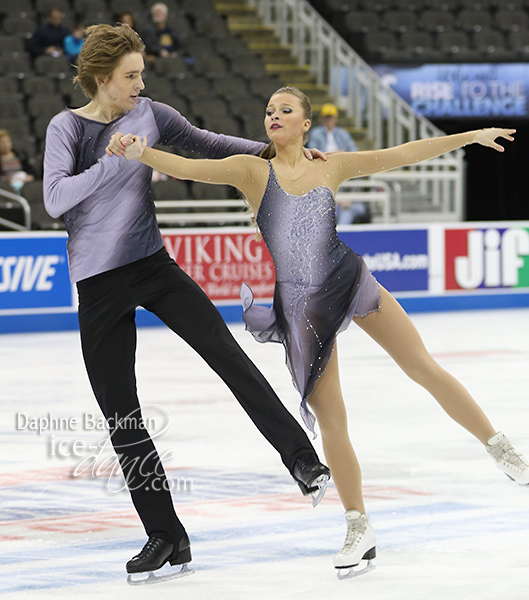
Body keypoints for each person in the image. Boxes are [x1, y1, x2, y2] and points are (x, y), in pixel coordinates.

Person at [116, 86, 529, 576]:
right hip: (301, 308)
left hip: (347, 279)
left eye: (284, 111)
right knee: (333, 417)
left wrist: (470, 136)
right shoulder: (251, 171)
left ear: (306, 123)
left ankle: (502, 448)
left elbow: (403, 153)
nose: (273, 116)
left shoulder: (329, 166)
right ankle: (359, 526)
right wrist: (143, 152)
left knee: (421, 365)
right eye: (269, 110)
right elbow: (191, 167)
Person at [42, 26, 330, 579]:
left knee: (228, 356)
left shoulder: (151, 114)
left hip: (154, 267)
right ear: (102, 79)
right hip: (98, 285)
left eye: (141, 74)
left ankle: (301, 460)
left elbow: (208, 143)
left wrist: (277, 151)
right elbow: (55, 199)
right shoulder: (66, 127)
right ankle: (166, 536)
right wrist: (115, 161)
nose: (140, 84)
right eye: (130, 76)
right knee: (121, 413)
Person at [308, 103, 369, 225]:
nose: (329, 120)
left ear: (335, 119)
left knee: (346, 211)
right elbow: (313, 153)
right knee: (340, 211)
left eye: (331, 117)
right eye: (326, 117)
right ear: (322, 119)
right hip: (325, 167)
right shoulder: (316, 134)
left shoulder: (343, 134)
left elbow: (354, 150)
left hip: (342, 166)